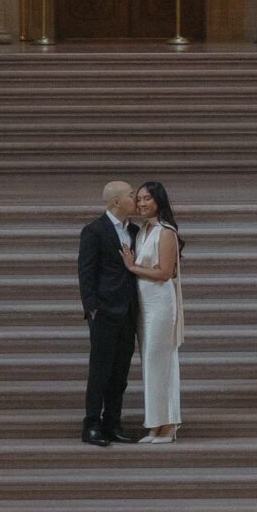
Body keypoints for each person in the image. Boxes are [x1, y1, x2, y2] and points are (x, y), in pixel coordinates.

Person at [76, 179, 145, 446]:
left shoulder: (136, 231)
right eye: (131, 195)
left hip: (128, 312)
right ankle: (91, 424)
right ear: (116, 201)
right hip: (104, 312)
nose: (136, 200)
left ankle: (112, 422)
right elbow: (86, 272)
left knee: (120, 372)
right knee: (100, 370)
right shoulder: (94, 231)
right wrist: (92, 308)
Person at [130, 181, 185, 443]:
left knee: (161, 364)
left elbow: (164, 273)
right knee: (151, 365)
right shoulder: (142, 231)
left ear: (158, 201)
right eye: (138, 199)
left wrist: (132, 268)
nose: (141, 203)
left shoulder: (165, 231)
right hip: (145, 305)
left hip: (161, 306)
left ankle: (169, 424)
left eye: (147, 199)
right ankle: (155, 424)